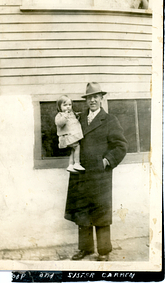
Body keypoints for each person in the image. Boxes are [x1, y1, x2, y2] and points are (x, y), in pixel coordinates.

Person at [64, 82, 128, 261]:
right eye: (89, 97)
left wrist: (107, 161)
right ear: (86, 100)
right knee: (82, 212)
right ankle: (85, 249)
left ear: (101, 98)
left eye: (95, 97)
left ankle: (104, 251)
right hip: (81, 172)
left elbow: (121, 146)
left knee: (101, 213)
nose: (92, 100)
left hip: (100, 175)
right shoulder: (77, 119)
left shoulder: (110, 120)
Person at [55, 95, 85, 173]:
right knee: (77, 146)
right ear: (59, 106)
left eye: (69, 105)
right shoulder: (60, 115)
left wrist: (77, 115)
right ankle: (77, 163)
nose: (68, 107)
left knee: (72, 150)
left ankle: (71, 165)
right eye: (65, 105)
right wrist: (65, 116)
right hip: (67, 137)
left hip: (70, 137)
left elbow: (74, 120)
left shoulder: (70, 113)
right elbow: (59, 123)